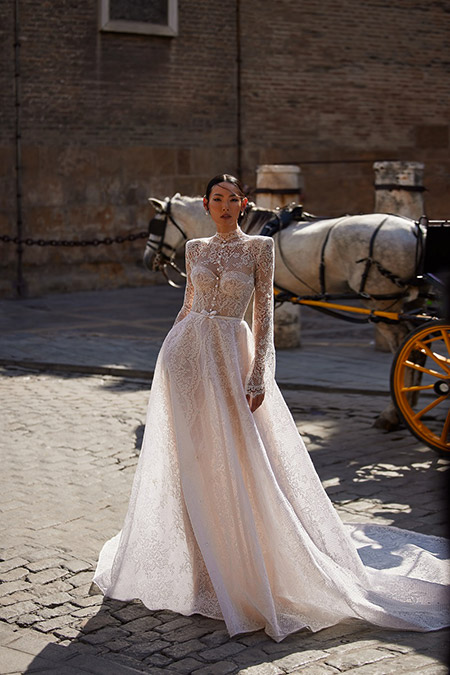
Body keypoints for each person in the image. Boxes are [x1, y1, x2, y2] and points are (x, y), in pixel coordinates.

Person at [93, 174, 449, 642]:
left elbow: (263, 316)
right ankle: (201, 567)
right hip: (186, 356)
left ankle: (244, 560)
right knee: (193, 458)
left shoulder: (260, 248)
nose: (223, 206)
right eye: (216, 199)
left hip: (231, 355)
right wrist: (167, 358)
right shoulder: (195, 248)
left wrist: (260, 371)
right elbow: (187, 306)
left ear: (243, 204)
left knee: (241, 456)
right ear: (205, 204)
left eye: (232, 199)